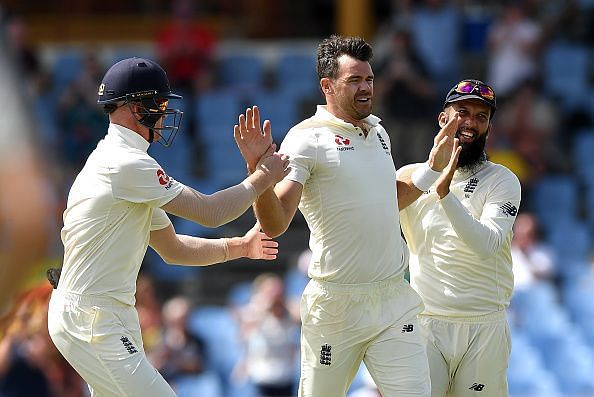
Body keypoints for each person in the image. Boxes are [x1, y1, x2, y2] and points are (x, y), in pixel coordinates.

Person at [47, 57, 289, 397]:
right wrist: (264, 175)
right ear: (135, 107)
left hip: (101, 315)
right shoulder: (126, 164)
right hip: (93, 317)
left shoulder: (123, 165)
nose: (164, 113)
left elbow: (173, 249)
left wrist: (241, 246)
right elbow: (210, 212)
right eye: (159, 104)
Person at [233, 35, 459, 397]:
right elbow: (275, 224)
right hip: (336, 307)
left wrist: (432, 168)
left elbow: (390, 199)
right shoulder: (305, 139)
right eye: (354, 80)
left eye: (369, 79)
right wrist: (256, 170)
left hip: (392, 299)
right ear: (328, 86)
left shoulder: (379, 131)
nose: (366, 87)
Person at [398, 79, 522, 397]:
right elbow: (368, 217)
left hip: (484, 325)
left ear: (489, 127)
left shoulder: (502, 180)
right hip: (425, 323)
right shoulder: (410, 178)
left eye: (481, 117)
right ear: (443, 119)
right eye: (462, 112)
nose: (471, 123)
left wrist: (445, 195)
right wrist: (431, 175)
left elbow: (486, 245)